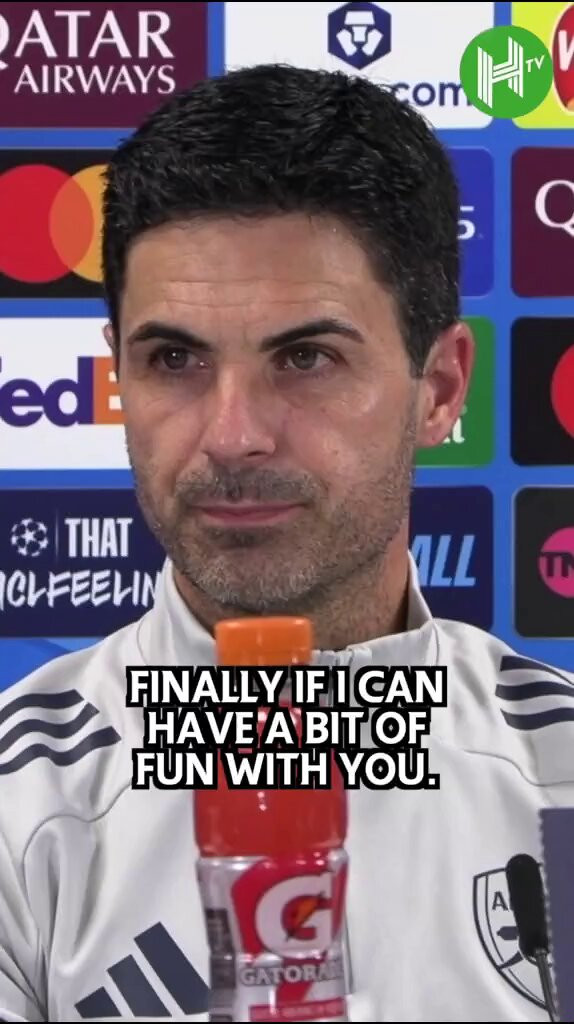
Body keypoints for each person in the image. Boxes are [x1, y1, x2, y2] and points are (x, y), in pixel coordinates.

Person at [0, 64, 572, 1024]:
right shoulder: (22, 804)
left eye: (306, 358)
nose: (233, 436)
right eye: (174, 359)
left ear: (439, 390)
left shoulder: (559, 767)